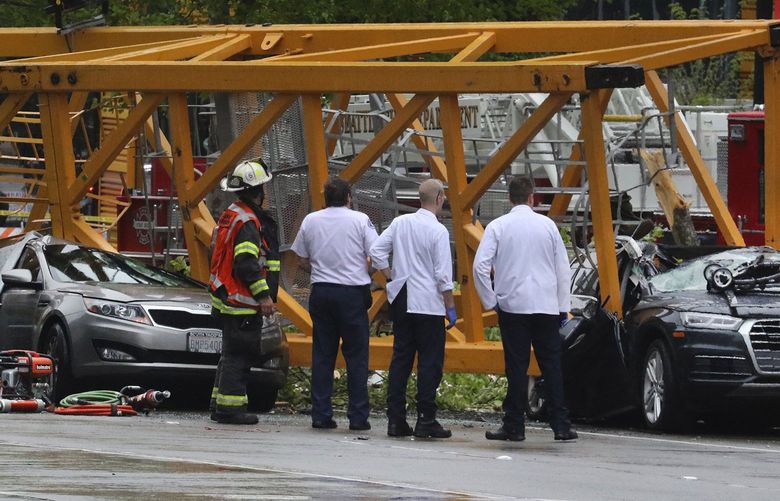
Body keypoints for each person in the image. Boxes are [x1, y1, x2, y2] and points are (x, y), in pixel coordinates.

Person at [472, 175, 578, 442]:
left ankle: (514, 425)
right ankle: (561, 425)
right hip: (545, 305)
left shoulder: (498, 226)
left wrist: (491, 300)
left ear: (510, 198)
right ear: (533, 198)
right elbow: (562, 269)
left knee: (516, 367)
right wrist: (563, 307)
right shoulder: (548, 227)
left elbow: (480, 267)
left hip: (513, 305)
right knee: (551, 365)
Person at [369, 179, 457, 439]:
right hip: (428, 303)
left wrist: (391, 275)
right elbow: (442, 275)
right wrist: (450, 307)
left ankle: (395, 421)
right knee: (430, 363)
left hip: (403, 298)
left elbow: (376, 251)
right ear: (440, 197)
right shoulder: (438, 231)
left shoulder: (400, 223)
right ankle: (426, 420)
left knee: (401, 361)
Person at [291, 177, 378, 431]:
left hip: (322, 292)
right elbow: (377, 252)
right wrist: (366, 272)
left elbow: (300, 259)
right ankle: (358, 417)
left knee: (323, 354)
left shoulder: (311, 220)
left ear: (325, 199)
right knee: (357, 356)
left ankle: (321, 414)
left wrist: (320, 269)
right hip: (352, 293)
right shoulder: (360, 220)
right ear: (349, 197)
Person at [208, 159, 281, 425]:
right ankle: (230, 409)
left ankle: (219, 405)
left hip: (228, 297)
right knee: (240, 356)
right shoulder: (248, 221)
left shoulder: (233, 213)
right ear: (258, 189)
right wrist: (263, 296)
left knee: (229, 355)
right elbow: (247, 263)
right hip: (241, 300)